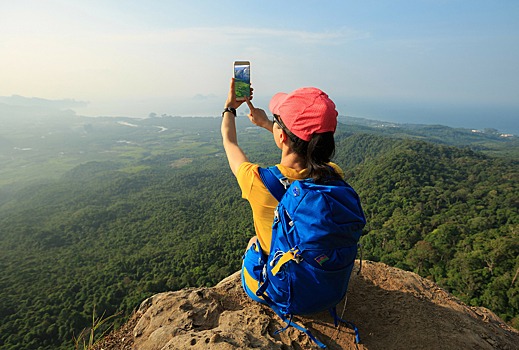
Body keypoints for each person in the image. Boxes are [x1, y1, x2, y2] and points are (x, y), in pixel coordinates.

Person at [221, 78, 344, 301]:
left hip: (285, 292)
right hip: (326, 286)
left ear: (281, 135)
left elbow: (229, 143)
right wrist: (271, 124)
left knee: (254, 242)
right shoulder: (333, 175)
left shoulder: (258, 181)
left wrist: (229, 107)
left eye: (278, 121)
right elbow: (303, 146)